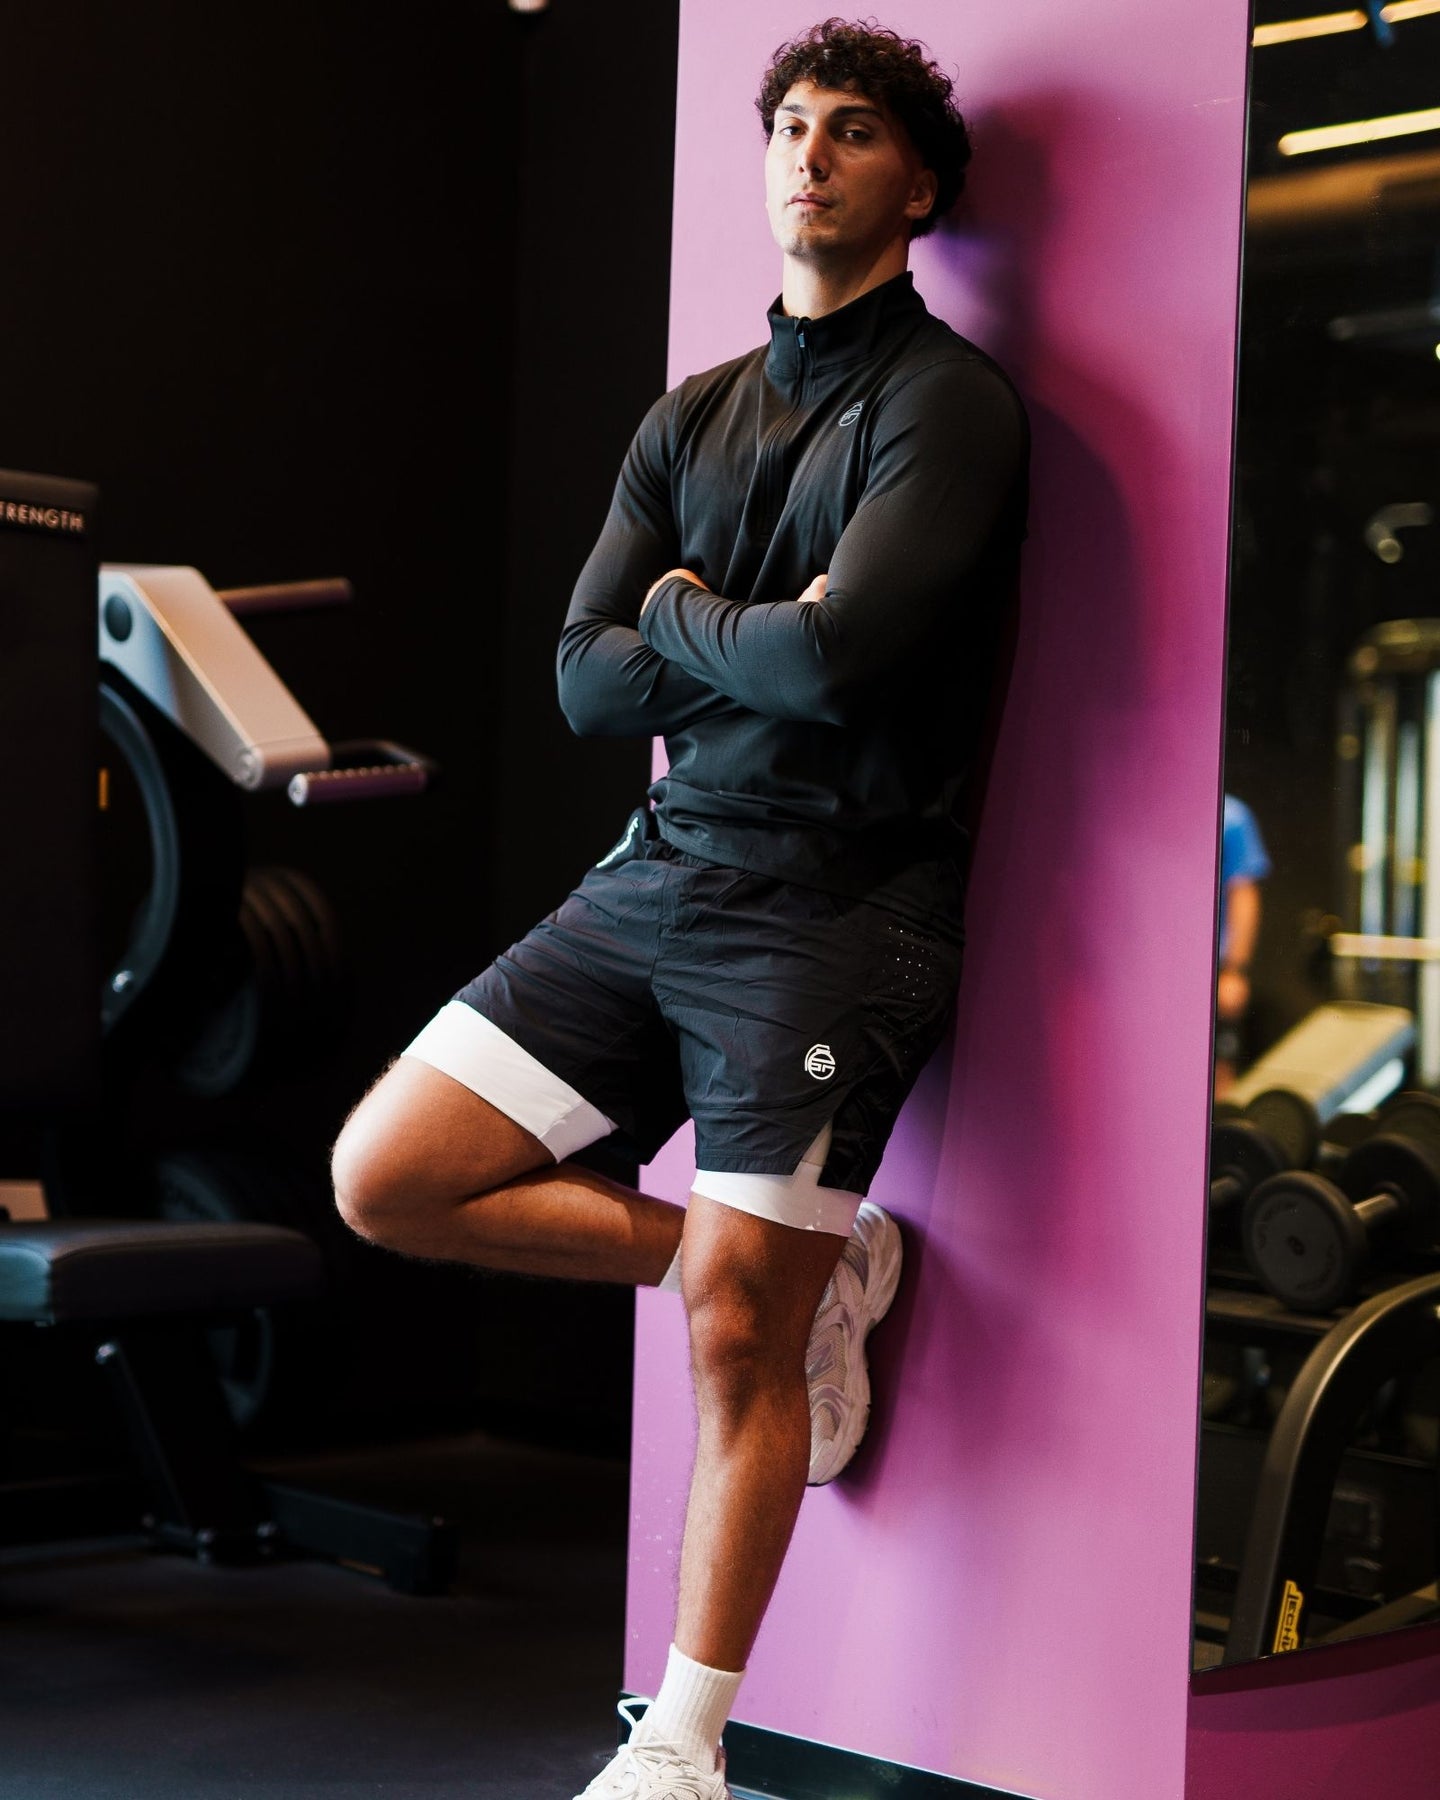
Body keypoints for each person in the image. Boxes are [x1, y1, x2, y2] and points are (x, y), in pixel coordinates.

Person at [329, 17, 1029, 1798]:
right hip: (659, 873)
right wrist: (750, 638)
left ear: (917, 186)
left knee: (735, 1336)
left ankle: (684, 1752)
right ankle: (819, 1271)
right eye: (790, 125)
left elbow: (839, 662)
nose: (810, 153)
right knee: (388, 1175)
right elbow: (581, 678)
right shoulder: (691, 413)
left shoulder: (947, 405)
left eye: (851, 130)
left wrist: (686, 619)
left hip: (839, 908)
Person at [1215, 792, 1271, 1100]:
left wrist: (1234, 970)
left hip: (1215, 969)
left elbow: (1243, 894)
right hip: (1161, 969)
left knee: (1220, 1067)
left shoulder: (1232, 816)